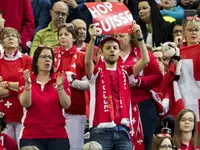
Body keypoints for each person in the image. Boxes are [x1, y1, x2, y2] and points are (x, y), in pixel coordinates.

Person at [85, 22, 149, 150]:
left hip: (122, 129)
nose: (112, 50)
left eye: (115, 48)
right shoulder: (96, 73)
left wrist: (140, 38)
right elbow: (87, 62)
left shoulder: (125, 72)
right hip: (100, 130)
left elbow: (145, 60)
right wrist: (92, 40)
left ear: (119, 51)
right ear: (101, 53)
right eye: (108, 48)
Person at [114, 31, 163, 150]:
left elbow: (158, 76)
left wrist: (138, 82)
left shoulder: (142, 53)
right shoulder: (109, 54)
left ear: (130, 36)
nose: (118, 39)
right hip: (117, 107)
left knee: (145, 142)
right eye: (115, 36)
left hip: (142, 105)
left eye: (121, 36)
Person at [18, 45, 71, 150]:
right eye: (43, 57)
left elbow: (66, 105)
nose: (47, 59)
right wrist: (28, 86)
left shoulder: (60, 79)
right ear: (36, 61)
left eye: (50, 57)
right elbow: (25, 104)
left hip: (58, 136)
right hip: (31, 136)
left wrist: (60, 87)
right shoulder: (26, 79)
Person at [54, 23, 89, 150]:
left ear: (74, 38)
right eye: (60, 35)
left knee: (74, 147)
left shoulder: (82, 57)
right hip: (53, 110)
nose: (62, 37)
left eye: (66, 34)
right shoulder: (51, 55)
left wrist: (73, 82)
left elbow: (89, 85)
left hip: (75, 110)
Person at [0, 27, 32, 145]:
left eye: (14, 36)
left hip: (23, 112)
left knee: (22, 146)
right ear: (2, 42)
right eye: (7, 36)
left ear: (19, 41)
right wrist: (19, 88)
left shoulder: (27, 60)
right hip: (3, 114)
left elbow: (30, 84)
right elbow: (23, 86)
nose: (10, 37)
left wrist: (6, 84)